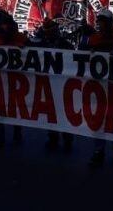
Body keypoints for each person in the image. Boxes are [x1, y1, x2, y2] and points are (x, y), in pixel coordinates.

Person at [87, 9, 113, 168]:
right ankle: (99, 151)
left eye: (105, 21)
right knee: (98, 120)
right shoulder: (94, 38)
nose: (101, 24)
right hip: (98, 87)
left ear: (110, 22)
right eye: (100, 21)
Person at [0, 18, 28, 147]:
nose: (4, 29)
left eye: (5, 27)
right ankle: (0, 137)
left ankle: (17, 133)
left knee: (15, 108)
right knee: (0, 109)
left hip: (15, 80)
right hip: (0, 80)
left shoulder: (20, 38)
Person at [40, 20, 74, 152]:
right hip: (49, 83)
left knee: (63, 111)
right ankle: (53, 136)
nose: (49, 34)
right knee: (51, 112)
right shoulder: (43, 44)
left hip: (63, 83)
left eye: (51, 31)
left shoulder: (66, 45)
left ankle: (67, 137)